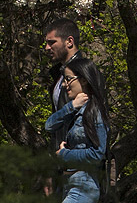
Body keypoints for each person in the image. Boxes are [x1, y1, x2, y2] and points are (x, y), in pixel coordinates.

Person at [45, 57, 109, 203]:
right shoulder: (75, 110)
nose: (65, 85)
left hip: (84, 185)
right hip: (70, 183)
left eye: (68, 79)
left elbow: (97, 153)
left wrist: (64, 154)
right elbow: (49, 126)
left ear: (84, 80)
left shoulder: (95, 112)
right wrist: (71, 106)